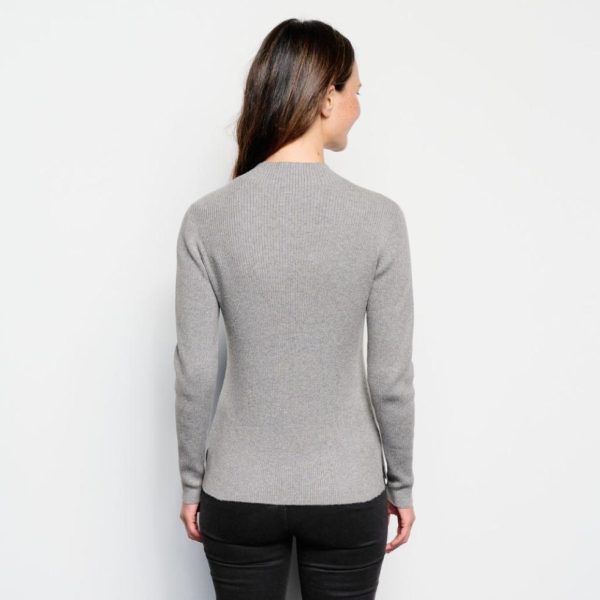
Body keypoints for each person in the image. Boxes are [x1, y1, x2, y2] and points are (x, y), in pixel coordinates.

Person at [173, 17, 416, 600]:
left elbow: (195, 370)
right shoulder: (380, 220)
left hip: (237, 491)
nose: (358, 107)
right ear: (327, 97)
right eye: (356, 91)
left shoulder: (207, 219)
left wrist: (191, 483)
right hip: (347, 492)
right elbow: (390, 378)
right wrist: (402, 485)